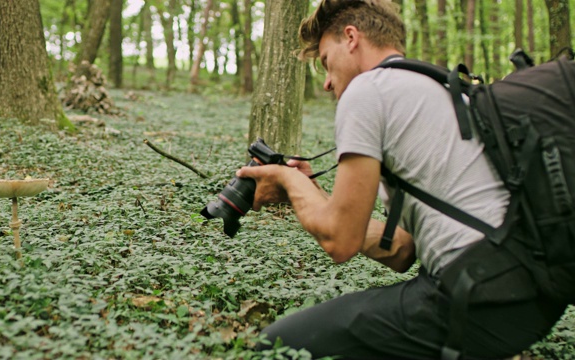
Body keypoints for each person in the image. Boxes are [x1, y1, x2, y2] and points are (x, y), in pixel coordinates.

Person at [236, 0, 568, 358]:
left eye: (326, 63)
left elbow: (340, 242)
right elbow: (401, 250)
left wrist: (289, 181)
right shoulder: (428, 86)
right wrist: (312, 194)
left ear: (351, 38)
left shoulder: (368, 91)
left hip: (477, 292)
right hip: (522, 295)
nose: (329, 83)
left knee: (277, 345)